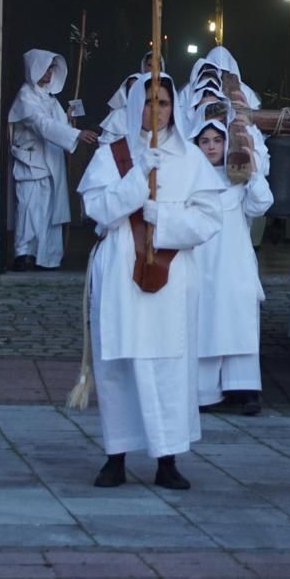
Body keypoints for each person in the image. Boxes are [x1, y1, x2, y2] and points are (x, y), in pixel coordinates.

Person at [78, 72, 223, 491]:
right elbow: (99, 210)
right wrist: (137, 177)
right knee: (119, 364)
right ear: (133, 106)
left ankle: (167, 457)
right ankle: (116, 454)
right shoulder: (113, 155)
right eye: (147, 102)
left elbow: (209, 218)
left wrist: (169, 220)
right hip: (122, 272)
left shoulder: (192, 159)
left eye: (162, 102)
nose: (155, 111)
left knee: (169, 366)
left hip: (172, 276)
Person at [188, 113, 272, 415]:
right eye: (205, 141)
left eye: (217, 140)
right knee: (205, 322)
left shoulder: (238, 177)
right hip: (201, 260)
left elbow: (261, 204)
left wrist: (252, 172)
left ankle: (245, 388)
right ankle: (205, 391)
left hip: (235, 262)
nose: (211, 147)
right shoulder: (189, 178)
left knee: (239, 322)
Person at [7, 49, 98, 271]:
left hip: (51, 163)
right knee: (29, 209)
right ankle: (23, 253)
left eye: (51, 68)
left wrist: (69, 119)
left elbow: (59, 125)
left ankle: (45, 256)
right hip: (32, 162)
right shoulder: (25, 97)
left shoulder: (50, 99)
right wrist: (75, 135)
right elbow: (41, 124)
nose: (49, 73)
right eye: (46, 67)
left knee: (49, 211)